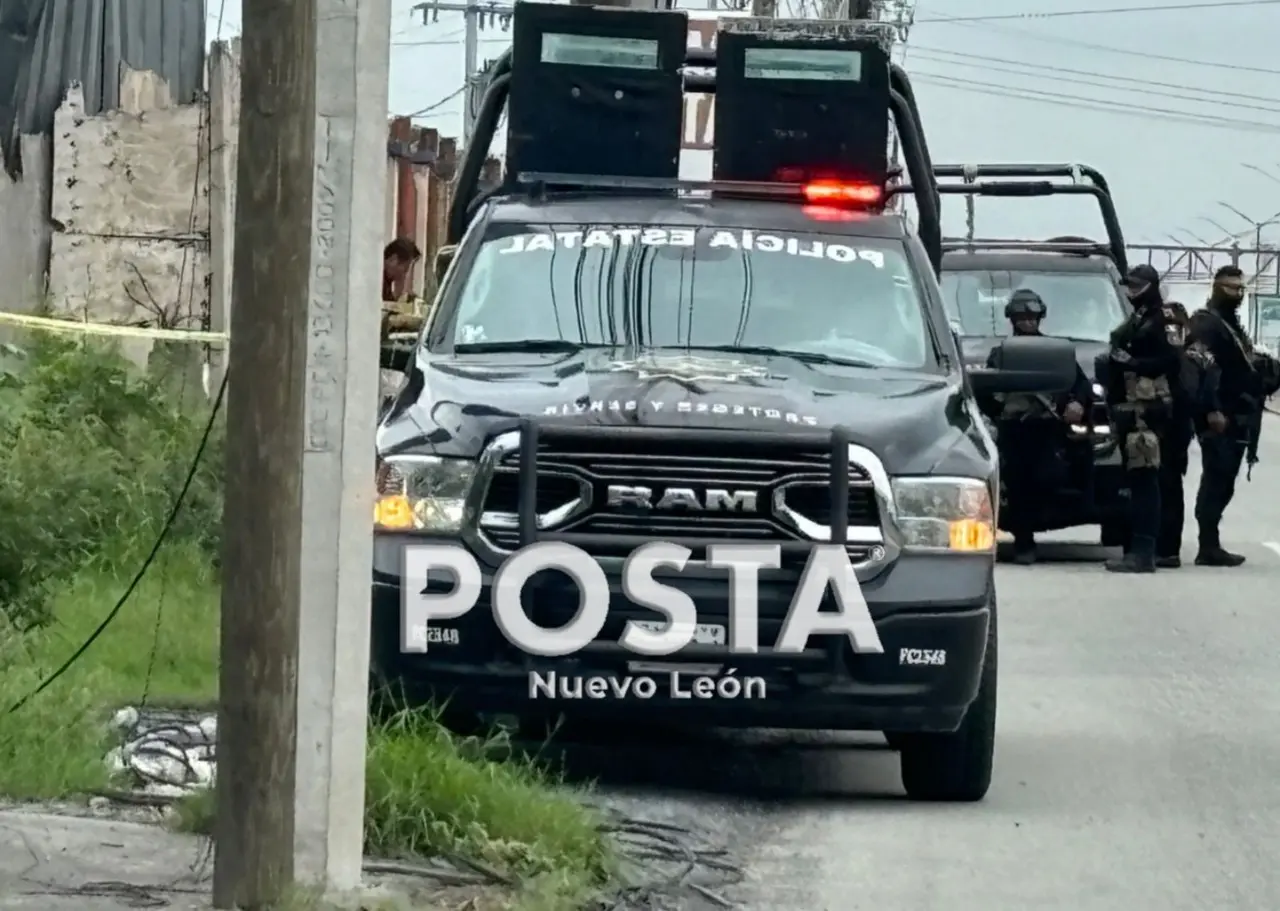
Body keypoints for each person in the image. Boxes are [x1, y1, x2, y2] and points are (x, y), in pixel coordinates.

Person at [977, 288, 1092, 565]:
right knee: (1017, 484)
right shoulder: (1002, 353)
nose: (1028, 322)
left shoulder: (1055, 351)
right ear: (1013, 319)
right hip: (1014, 429)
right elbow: (985, 388)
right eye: (1022, 317)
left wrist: (1075, 403)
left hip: (1047, 426)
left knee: (1054, 475)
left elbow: (1081, 383)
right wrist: (997, 413)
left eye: (1032, 317)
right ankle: (1024, 542)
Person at [1185, 266, 1280, 566]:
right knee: (1217, 477)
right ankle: (1207, 544)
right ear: (1216, 287)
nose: (1237, 294)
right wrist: (1212, 408)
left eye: (1240, 289)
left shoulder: (1230, 325)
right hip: (1219, 413)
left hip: (1238, 412)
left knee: (1225, 479)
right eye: (1231, 288)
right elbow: (1204, 369)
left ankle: (1211, 543)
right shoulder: (1205, 324)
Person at [1103, 264, 1180, 574]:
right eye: (1129, 286)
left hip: (1148, 411)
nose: (1131, 291)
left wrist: (1132, 362)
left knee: (1146, 479)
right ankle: (1137, 548)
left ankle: (1145, 551)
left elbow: (1173, 361)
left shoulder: (1164, 320)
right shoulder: (1138, 319)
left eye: (1137, 286)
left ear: (1151, 285)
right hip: (1131, 407)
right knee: (1136, 480)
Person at [383, 238, 424, 336]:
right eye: (405, 268)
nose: (405, 274)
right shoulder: (376, 281)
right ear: (393, 260)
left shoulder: (386, 283)